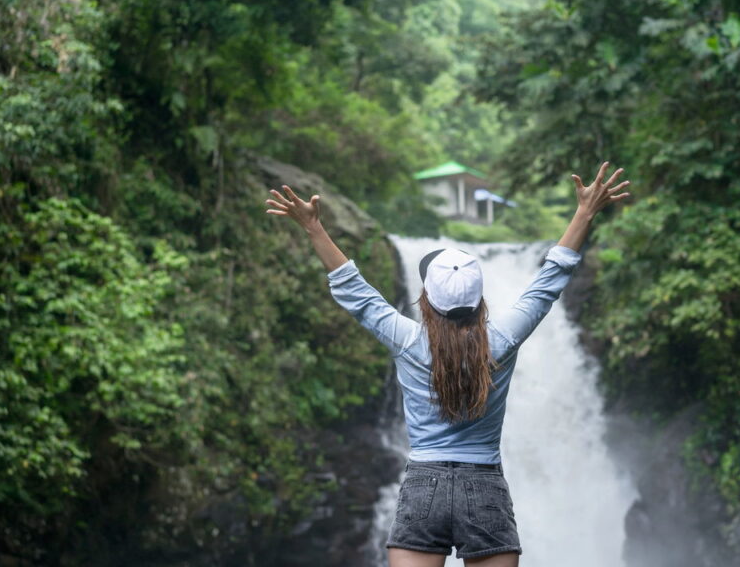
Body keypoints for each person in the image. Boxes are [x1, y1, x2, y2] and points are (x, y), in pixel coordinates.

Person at [265, 162, 631, 567]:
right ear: (479, 299)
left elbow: (356, 292)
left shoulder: (406, 340)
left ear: (426, 299)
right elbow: (548, 282)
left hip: (424, 486)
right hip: (486, 487)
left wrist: (314, 227)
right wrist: (584, 213)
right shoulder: (503, 339)